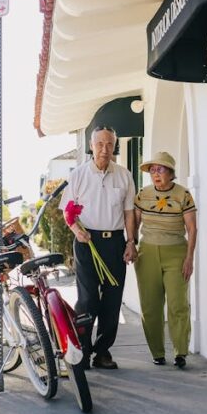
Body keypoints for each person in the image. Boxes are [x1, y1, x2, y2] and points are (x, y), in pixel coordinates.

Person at [60, 126, 137, 369]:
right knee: (88, 299)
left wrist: (131, 242)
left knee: (112, 300)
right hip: (86, 242)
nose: (105, 149)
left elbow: (129, 213)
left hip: (114, 243)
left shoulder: (125, 175)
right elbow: (67, 210)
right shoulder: (79, 175)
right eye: (100, 144)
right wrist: (76, 231)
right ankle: (82, 349)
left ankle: (103, 352)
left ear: (115, 146)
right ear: (91, 146)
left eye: (110, 144)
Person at [133, 151, 197, 369]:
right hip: (147, 252)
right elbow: (136, 223)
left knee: (178, 303)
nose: (155, 174)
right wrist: (130, 244)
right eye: (152, 170)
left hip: (176, 252)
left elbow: (192, 228)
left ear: (171, 172)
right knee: (150, 305)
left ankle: (180, 351)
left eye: (160, 169)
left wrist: (189, 258)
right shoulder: (143, 194)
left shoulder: (183, 194)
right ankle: (157, 352)